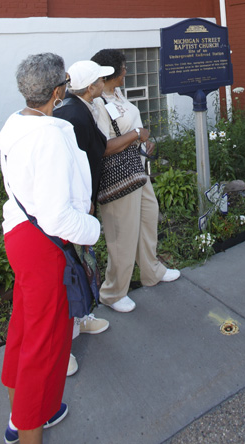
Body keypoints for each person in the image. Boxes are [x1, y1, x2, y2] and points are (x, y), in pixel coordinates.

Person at [0, 53, 101, 444]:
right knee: (46, 343)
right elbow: (58, 216)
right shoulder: (52, 136)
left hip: (20, 235)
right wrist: (92, 228)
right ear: (58, 91)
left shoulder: (15, 124)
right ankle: (28, 430)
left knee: (24, 327)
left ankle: (18, 412)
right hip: (47, 244)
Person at [91, 48, 180, 312]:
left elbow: (129, 128)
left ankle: (151, 270)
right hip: (118, 177)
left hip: (137, 169)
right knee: (122, 233)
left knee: (148, 217)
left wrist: (145, 141)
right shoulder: (97, 103)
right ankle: (113, 292)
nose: (127, 72)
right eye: (124, 68)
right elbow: (103, 146)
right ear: (112, 73)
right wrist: (137, 135)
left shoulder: (116, 94)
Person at [55, 60, 115, 357]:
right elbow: (76, 163)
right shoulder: (74, 114)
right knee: (74, 266)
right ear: (90, 87)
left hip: (80, 201)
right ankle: (68, 335)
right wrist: (82, 200)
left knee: (81, 262)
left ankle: (81, 318)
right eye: (101, 80)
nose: (105, 83)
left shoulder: (75, 107)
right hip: (74, 206)